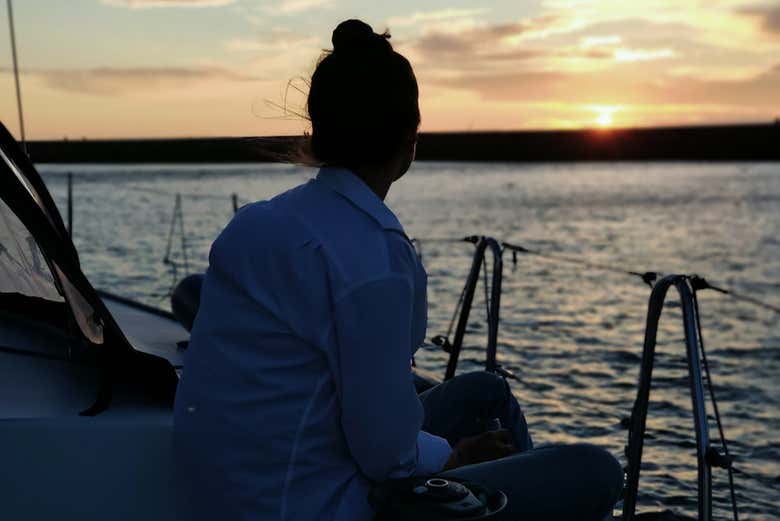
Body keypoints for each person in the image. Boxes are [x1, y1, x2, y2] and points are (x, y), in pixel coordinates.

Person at [173, 19, 623, 521]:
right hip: (316, 503)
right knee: (597, 470)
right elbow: (385, 457)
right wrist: (453, 458)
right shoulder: (373, 258)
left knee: (485, 391)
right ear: (410, 138)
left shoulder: (257, 222)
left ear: (318, 131)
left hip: (228, 491)